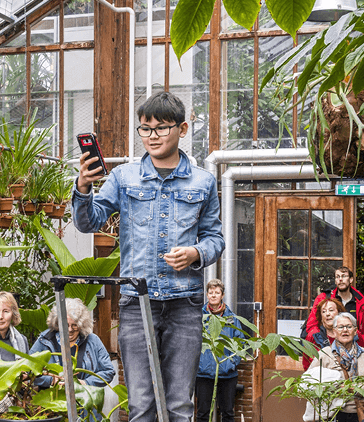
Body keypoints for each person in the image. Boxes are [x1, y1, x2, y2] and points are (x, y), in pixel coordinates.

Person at [73, 91, 225, 422]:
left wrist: (195, 252)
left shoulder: (204, 182)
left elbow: (216, 238)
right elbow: (88, 222)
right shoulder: (123, 177)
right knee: (140, 404)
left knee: (179, 406)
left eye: (161, 128)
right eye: (145, 129)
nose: (152, 136)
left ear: (182, 129)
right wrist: (84, 187)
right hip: (136, 304)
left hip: (184, 304)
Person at [28, 298, 115, 388]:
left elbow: (108, 371)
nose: (70, 330)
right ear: (57, 323)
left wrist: (85, 383)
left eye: (75, 325)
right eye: (65, 325)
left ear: (82, 324)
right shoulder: (45, 340)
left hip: (83, 399)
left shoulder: (92, 340)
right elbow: (28, 370)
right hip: (50, 399)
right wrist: (52, 380)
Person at [195, 279, 245, 422]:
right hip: (203, 374)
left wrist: (230, 364)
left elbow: (239, 345)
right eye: (211, 293)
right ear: (207, 295)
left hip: (227, 375)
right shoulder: (199, 318)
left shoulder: (232, 319)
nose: (213, 295)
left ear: (222, 295)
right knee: (202, 413)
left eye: (217, 293)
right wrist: (198, 364)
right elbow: (192, 343)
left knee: (228, 413)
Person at [308, 312, 364, 422]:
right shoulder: (324, 354)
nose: (345, 330)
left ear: (355, 330)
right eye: (340, 327)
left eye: (349, 326)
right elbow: (308, 383)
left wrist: (354, 388)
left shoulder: (363, 354)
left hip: (360, 414)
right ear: (334, 331)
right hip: (332, 415)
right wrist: (334, 388)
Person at [305, 267, 364, 347]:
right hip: (326, 344)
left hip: (355, 348)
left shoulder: (361, 302)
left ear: (351, 280)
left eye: (343, 276)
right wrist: (322, 342)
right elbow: (312, 326)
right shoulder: (323, 298)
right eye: (337, 277)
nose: (340, 279)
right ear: (335, 281)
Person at [0, 292, 29, 361]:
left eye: (6, 311)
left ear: (13, 314)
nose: (0, 316)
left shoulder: (22, 340)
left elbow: (27, 368)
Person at [302, 297, 346, 370]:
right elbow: (306, 365)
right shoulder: (313, 336)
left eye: (331, 310)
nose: (327, 314)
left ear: (339, 312)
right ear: (321, 317)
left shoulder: (350, 334)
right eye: (324, 311)